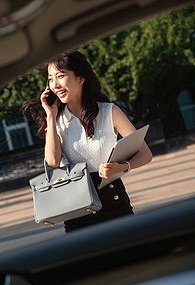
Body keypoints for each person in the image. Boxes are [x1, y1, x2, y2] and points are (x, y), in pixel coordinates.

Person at [22, 50, 153, 233]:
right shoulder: (56, 121)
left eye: (61, 76)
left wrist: (121, 167)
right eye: (50, 79)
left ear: (81, 77)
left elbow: (145, 153)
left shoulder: (109, 112)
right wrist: (50, 116)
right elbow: (52, 161)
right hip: (76, 212)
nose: (55, 84)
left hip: (114, 204)